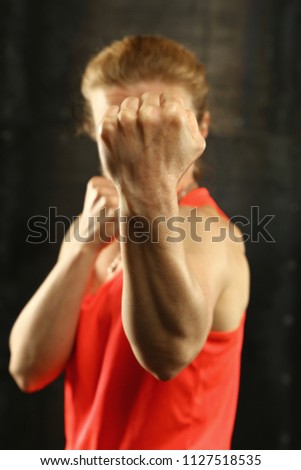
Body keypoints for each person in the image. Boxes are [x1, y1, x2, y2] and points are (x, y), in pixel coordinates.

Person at [9, 35, 250, 450]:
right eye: (119, 125)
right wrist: (81, 248)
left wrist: (143, 191)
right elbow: (27, 369)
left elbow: (167, 356)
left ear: (202, 128)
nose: (141, 141)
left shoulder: (207, 230)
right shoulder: (93, 231)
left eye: (162, 123)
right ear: (96, 132)